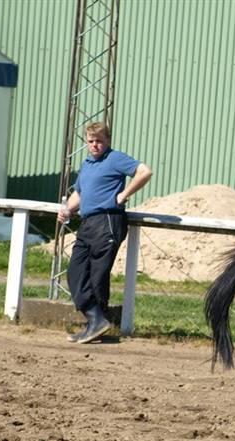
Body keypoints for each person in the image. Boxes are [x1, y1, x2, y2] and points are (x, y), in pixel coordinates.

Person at [57, 121, 153, 343]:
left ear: (107, 140)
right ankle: (95, 320)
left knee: (97, 275)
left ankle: (96, 324)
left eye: (99, 141)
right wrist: (67, 210)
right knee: (75, 272)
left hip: (108, 220)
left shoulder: (115, 158)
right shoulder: (88, 164)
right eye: (91, 141)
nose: (95, 145)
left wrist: (124, 194)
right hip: (88, 223)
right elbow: (80, 194)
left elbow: (145, 172)